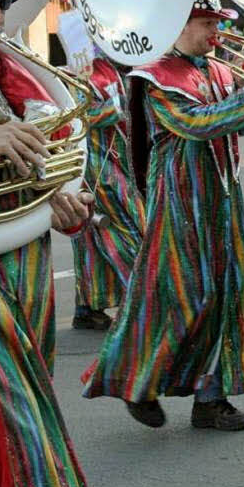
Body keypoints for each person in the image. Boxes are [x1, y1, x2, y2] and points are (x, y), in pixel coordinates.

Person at [82, 0, 244, 432]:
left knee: (227, 297)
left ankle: (210, 400)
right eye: (207, 21)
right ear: (177, 22)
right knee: (176, 301)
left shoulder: (215, 69)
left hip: (223, 200)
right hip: (178, 205)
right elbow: (193, 123)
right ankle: (139, 384)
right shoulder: (153, 75)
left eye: (217, 19)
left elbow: (234, 125)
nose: (217, 31)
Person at [0, 0, 93, 487]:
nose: (0, 18)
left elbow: (48, 168)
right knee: (20, 424)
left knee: (25, 409)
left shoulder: (10, 76)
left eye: (1, 2)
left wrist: (68, 203)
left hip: (25, 270)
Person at [69, 54, 146, 331]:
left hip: (115, 159)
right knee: (128, 228)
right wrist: (116, 107)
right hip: (95, 166)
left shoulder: (114, 65)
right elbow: (76, 118)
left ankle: (88, 307)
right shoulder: (79, 69)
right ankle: (144, 302)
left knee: (91, 238)